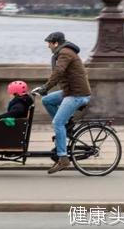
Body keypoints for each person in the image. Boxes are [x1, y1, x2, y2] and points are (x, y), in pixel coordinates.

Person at [33, 31, 92, 174]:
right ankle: (66, 126)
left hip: (77, 94)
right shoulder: (64, 51)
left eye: (49, 43)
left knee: (57, 123)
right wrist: (44, 90)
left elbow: (59, 72)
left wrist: (45, 87)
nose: (48, 46)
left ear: (56, 43)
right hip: (70, 92)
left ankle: (63, 158)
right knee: (47, 100)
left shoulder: (65, 53)